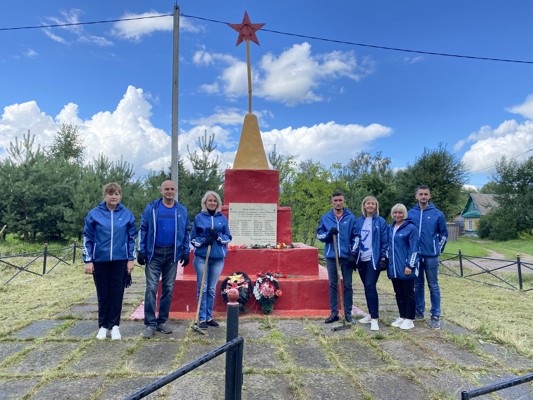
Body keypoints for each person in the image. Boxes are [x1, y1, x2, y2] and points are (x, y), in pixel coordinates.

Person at [82, 182, 137, 340]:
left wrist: (131, 259)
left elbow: (132, 238)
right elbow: (87, 238)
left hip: (120, 260)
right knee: (103, 294)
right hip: (100, 260)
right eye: (110, 193)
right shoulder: (94, 214)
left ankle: (115, 326)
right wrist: (88, 260)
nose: (114, 197)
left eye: (116, 194)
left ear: (120, 196)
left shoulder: (127, 215)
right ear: (105, 195)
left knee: (117, 293)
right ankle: (103, 326)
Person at [137, 180, 190, 339]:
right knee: (151, 288)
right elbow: (143, 228)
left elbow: (186, 232)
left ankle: (162, 321)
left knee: (168, 288)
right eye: (166, 189)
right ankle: (150, 323)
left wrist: (186, 251)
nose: (169, 191)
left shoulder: (181, 210)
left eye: (172, 189)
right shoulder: (152, 208)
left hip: (172, 255)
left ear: (176, 191)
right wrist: (141, 250)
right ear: (161, 191)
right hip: (154, 254)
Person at [408, 185, 448, 330]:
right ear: (416, 196)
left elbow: (444, 234)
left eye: (426, 194)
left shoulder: (437, 214)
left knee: (433, 285)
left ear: (429, 196)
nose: (423, 197)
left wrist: (437, 249)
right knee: (418, 285)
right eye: (421, 194)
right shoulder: (410, 213)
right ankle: (419, 311)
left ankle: (435, 315)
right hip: (416, 256)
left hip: (431, 256)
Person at [191, 191, 232, 330]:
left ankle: (209, 316)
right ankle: (201, 317)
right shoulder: (199, 218)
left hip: (217, 258)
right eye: (210, 200)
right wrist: (204, 240)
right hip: (202, 258)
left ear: (218, 203)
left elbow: (228, 236)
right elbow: (193, 238)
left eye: (215, 201)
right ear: (205, 202)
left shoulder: (222, 218)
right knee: (202, 288)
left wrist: (218, 236)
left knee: (211, 289)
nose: (212, 203)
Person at [316, 191, 359, 324]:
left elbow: (356, 236)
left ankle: (348, 314)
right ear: (332, 202)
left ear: (344, 201)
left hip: (346, 257)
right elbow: (319, 235)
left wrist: (353, 253)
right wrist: (329, 234)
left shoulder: (351, 217)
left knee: (348, 285)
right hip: (331, 256)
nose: (338, 203)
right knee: (333, 284)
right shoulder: (326, 217)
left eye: (340, 200)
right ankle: (334, 313)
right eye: (335, 200)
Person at [354, 196, 389, 331]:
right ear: (364, 205)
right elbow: (355, 239)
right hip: (361, 259)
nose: (370, 206)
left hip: (373, 259)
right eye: (368, 203)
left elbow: (385, 241)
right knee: (366, 287)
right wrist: (353, 255)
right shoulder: (359, 221)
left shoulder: (381, 221)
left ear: (376, 206)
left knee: (370, 286)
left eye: (373, 204)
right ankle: (370, 314)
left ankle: (374, 318)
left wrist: (383, 258)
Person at [388, 203, 419, 330]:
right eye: (395, 212)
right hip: (394, 267)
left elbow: (414, 248)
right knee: (398, 293)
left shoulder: (411, 228)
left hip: (406, 266)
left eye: (400, 212)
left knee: (408, 292)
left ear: (404, 214)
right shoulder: (390, 228)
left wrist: (410, 265)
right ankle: (402, 316)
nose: (397, 215)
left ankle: (410, 319)